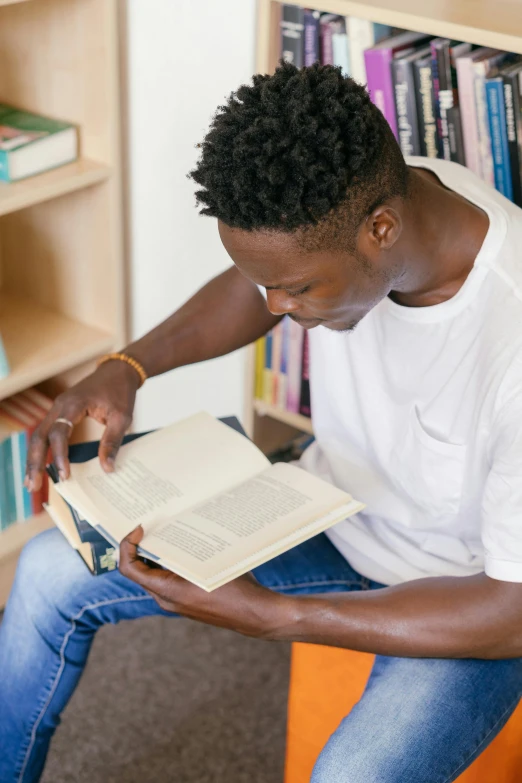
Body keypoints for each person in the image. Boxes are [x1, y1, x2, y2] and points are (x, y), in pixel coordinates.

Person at [2, 60, 522, 782]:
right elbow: (259, 285)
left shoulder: (513, 341)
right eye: (267, 282)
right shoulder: (382, 199)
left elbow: (511, 610)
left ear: (382, 230)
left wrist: (280, 616)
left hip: (470, 599)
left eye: (297, 288)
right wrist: (129, 364)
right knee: (44, 572)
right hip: (329, 510)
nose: (275, 307)